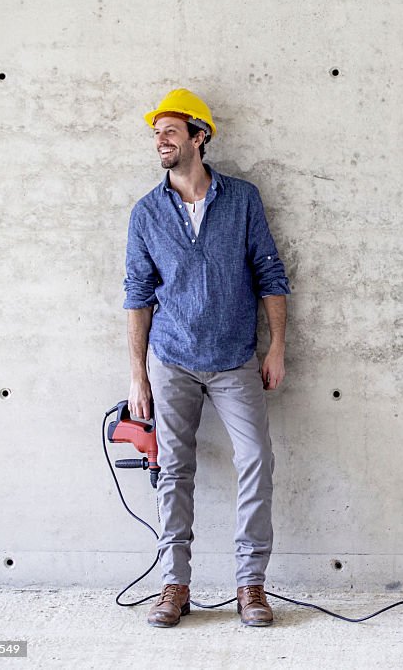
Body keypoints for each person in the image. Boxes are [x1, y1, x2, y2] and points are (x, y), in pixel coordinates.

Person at [122, 88, 291, 628]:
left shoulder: (242, 199)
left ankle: (251, 585)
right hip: (171, 361)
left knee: (256, 460)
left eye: (170, 131)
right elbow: (137, 295)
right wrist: (138, 375)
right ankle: (175, 585)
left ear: (200, 136)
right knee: (173, 469)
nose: (160, 140)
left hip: (236, 359)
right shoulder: (146, 213)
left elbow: (270, 275)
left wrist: (277, 347)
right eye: (156, 132)